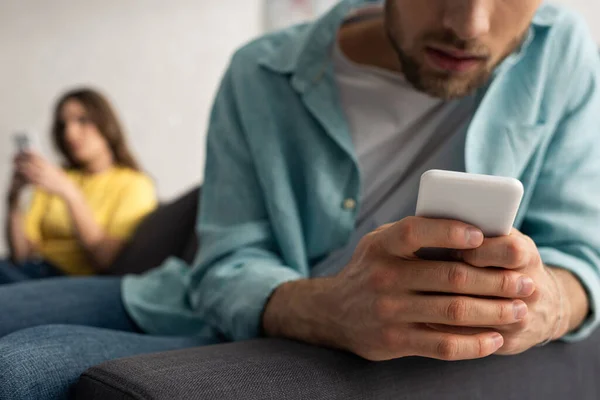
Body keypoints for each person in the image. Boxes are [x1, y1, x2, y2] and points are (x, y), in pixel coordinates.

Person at [1, 0, 600, 398]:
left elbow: (582, 253)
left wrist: (549, 302)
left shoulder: (561, 54)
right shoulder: (260, 73)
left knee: (17, 368)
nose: (469, 24)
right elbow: (225, 265)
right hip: (181, 297)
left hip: (234, 332)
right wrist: (331, 307)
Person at [1, 88, 157, 283]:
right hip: (31, 271)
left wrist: (70, 194)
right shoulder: (56, 177)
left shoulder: (134, 184)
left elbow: (107, 260)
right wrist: (13, 199)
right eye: (63, 125)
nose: (70, 133)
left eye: (82, 120)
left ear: (106, 124)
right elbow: (21, 254)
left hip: (71, 280)